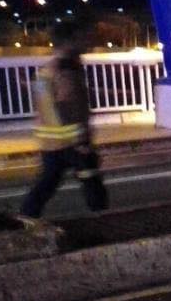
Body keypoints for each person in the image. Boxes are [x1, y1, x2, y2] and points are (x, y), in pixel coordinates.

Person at [20, 20, 108, 219]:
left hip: (50, 143)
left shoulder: (45, 71)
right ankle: (104, 223)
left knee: (46, 184)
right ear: (70, 41)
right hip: (71, 143)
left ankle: (25, 219)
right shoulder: (66, 70)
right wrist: (81, 141)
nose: (87, 42)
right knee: (91, 181)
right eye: (82, 38)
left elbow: (45, 107)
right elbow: (69, 107)